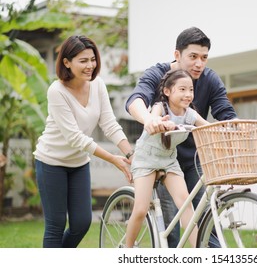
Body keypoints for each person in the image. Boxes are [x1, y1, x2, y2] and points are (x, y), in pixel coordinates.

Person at [125, 27, 237, 247]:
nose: (199, 64)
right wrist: (150, 120)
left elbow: (224, 111)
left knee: (203, 216)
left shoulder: (209, 79)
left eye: (204, 58)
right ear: (177, 55)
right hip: (155, 155)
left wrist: (232, 129)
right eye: (193, 57)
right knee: (170, 226)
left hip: (190, 158)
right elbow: (136, 99)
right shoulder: (159, 75)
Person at [33, 35, 134, 248]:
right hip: (51, 162)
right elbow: (75, 137)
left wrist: (129, 154)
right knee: (56, 224)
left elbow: (109, 123)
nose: (90, 65)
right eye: (83, 61)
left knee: (82, 223)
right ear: (67, 62)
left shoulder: (97, 85)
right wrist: (112, 159)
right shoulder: (57, 91)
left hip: (78, 164)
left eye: (92, 59)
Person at [126, 69, 209, 248]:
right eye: (182, 89)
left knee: (186, 205)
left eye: (191, 90)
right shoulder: (160, 107)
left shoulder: (190, 114)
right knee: (140, 209)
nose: (188, 94)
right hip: (145, 159)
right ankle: (126, 250)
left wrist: (225, 130)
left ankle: (200, 252)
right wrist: (160, 123)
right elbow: (153, 119)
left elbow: (208, 127)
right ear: (167, 91)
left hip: (168, 160)